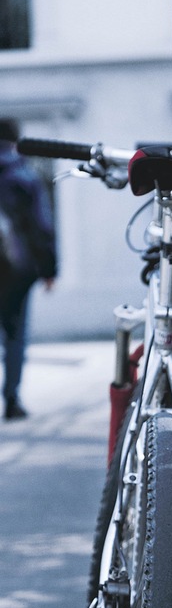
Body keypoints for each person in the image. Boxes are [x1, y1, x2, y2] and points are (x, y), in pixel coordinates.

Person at [0, 119, 57, 420]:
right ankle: (11, 399)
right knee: (14, 335)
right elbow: (41, 227)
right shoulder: (24, 175)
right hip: (16, 269)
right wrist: (49, 269)